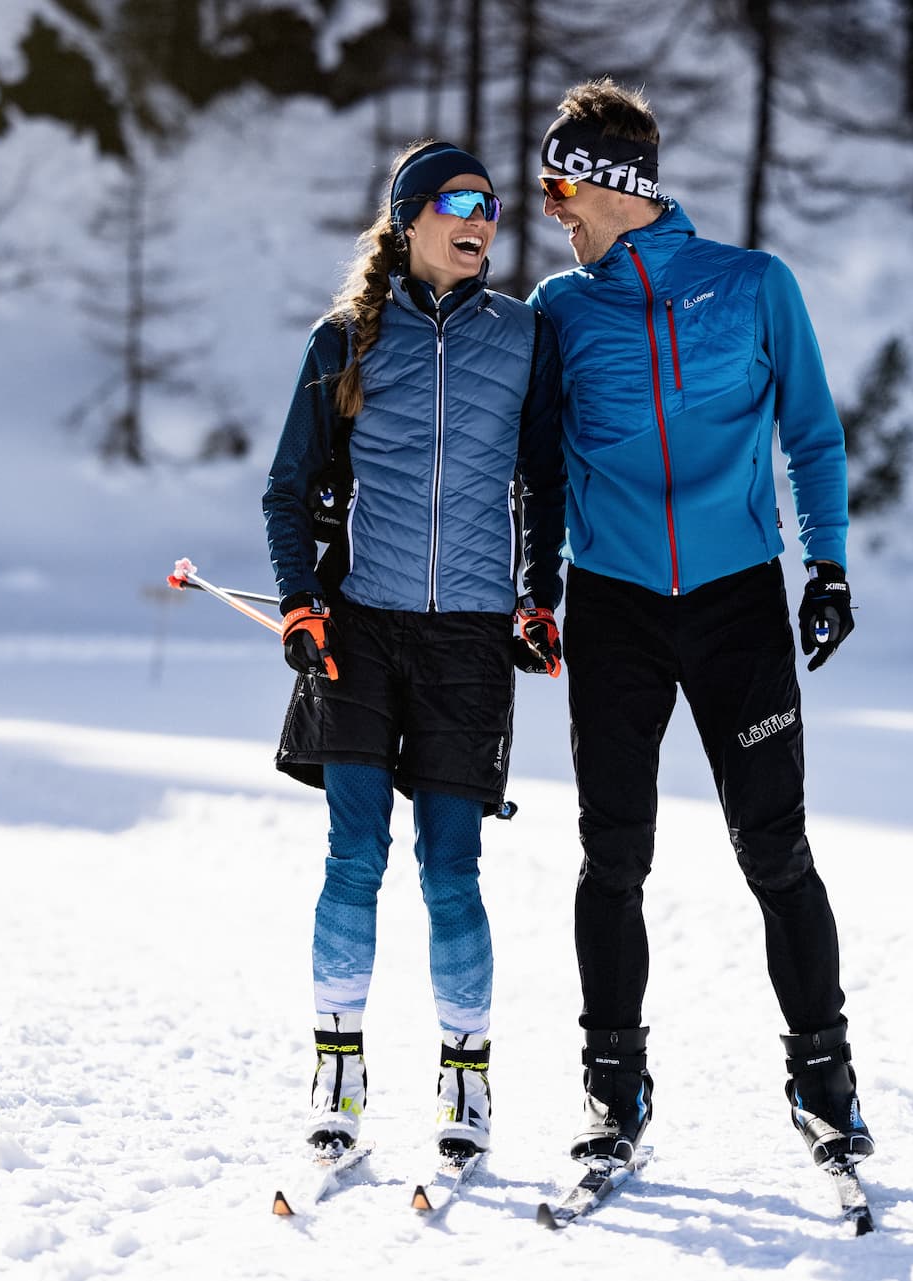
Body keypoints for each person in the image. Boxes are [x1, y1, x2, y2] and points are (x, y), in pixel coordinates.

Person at [526, 79, 872, 1171]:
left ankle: (826, 1084)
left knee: (776, 853)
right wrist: (537, 593)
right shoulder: (559, 311)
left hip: (738, 605)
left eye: (559, 186)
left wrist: (828, 567)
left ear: (612, 186)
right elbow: (537, 467)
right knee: (611, 856)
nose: (551, 209)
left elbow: (812, 432)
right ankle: (611, 1090)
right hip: (616, 606)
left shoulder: (755, 287)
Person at [262, 139, 565, 1164]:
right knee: (354, 857)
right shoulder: (346, 340)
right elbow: (286, 490)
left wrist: (539, 599)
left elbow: (544, 484)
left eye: (491, 204)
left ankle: (464, 1076)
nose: (482, 218)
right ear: (409, 219)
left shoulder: (524, 336)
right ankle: (338, 1067)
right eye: (458, 201)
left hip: (469, 640)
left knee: (451, 869)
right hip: (362, 629)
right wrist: (303, 602)